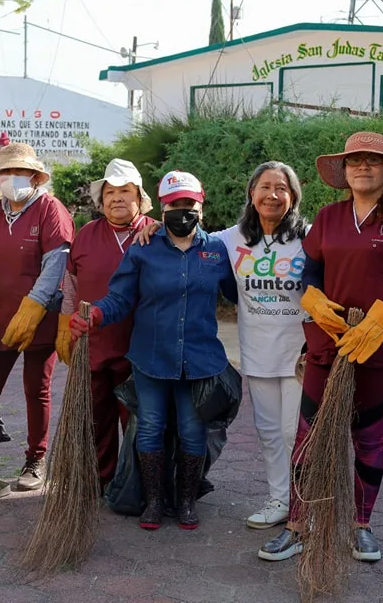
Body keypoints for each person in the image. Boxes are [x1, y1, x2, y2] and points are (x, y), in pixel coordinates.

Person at [258, 131, 383, 562]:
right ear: (344, 170)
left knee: (369, 436)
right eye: (355, 160)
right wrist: (314, 302)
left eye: (372, 161)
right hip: (330, 344)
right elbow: (309, 272)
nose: (362, 167)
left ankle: (361, 525)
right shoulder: (329, 217)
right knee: (308, 435)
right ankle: (298, 524)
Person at [135, 162, 310, 530]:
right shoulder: (230, 239)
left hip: (301, 355)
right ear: (252, 193)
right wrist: (153, 227)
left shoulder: (308, 236)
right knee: (268, 432)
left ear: (293, 196)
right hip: (257, 353)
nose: (272, 195)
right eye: (264, 186)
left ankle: (304, 505)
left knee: (295, 433)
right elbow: (189, 238)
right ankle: (279, 499)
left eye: (281, 188)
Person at [71, 171, 237, 531]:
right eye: (174, 205)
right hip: (151, 358)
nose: (182, 211)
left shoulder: (216, 250)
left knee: (193, 432)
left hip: (199, 361)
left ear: (201, 206)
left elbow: (239, 295)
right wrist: (97, 313)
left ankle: (186, 501)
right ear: (162, 208)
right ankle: (155, 501)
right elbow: (120, 296)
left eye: (188, 204)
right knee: (149, 428)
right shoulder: (143, 248)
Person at [0, 143, 74, 491]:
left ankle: (36, 460)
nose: (12, 179)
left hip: (40, 320)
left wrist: (34, 305)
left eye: (19, 172)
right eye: (6, 172)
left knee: (37, 389)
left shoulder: (50, 210)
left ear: (35, 177)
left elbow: (56, 263)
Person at [56, 158, 155, 490]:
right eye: (110, 192)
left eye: (125, 191)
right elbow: (70, 283)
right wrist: (65, 327)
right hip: (92, 344)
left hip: (139, 348)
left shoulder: (155, 234)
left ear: (139, 197)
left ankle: (138, 484)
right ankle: (101, 480)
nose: (117, 198)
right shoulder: (87, 235)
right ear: (101, 200)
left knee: (139, 421)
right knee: (95, 419)